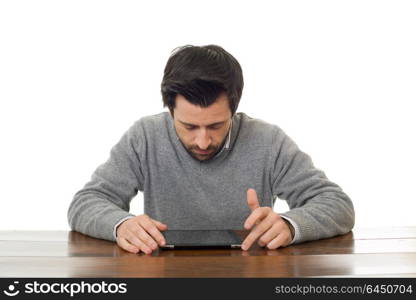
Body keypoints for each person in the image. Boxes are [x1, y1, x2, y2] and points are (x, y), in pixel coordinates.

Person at [67, 44, 354, 254]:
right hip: (165, 275)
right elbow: (85, 203)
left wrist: (291, 225)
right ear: (170, 111)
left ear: (234, 109)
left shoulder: (267, 140)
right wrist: (121, 224)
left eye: (216, 126)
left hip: (251, 275)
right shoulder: (145, 136)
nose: (203, 142)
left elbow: (337, 204)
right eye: (189, 126)